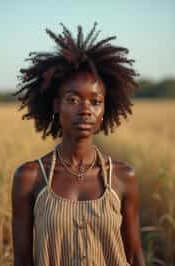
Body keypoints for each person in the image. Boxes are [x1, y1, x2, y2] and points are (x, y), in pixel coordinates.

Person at [12, 22, 146, 266]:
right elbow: (22, 260)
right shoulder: (30, 177)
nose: (85, 110)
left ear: (105, 109)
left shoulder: (123, 177)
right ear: (55, 105)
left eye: (95, 102)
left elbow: (135, 256)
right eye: (72, 99)